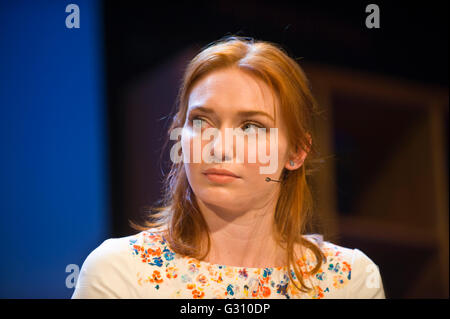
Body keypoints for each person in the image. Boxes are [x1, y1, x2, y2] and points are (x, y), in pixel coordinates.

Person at [72, 35, 386, 299]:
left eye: (250, 126)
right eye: (201, 121)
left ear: (297, 152)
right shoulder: (119, 272)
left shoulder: (350, 280)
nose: (219, 147)